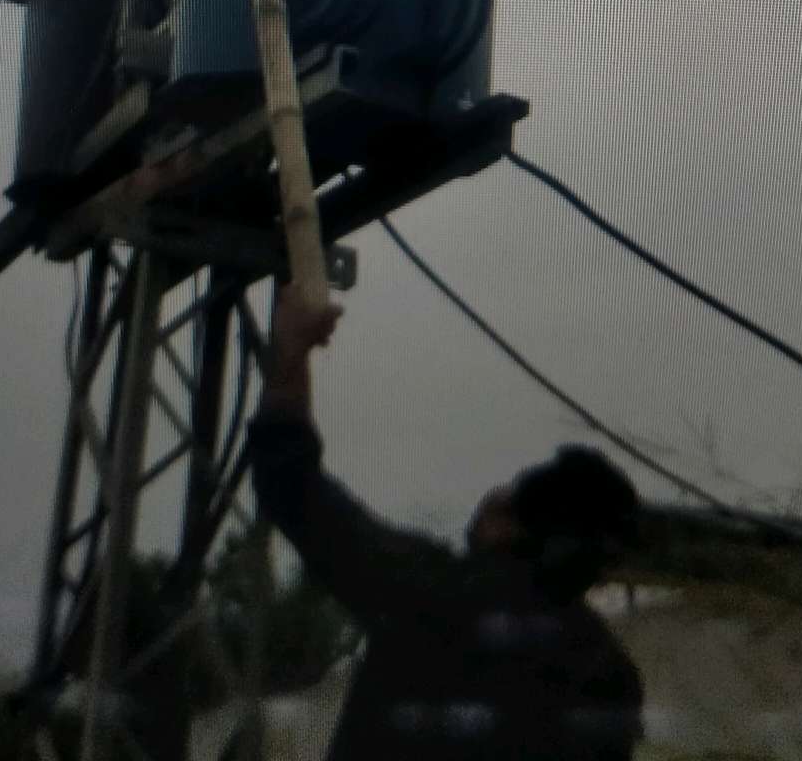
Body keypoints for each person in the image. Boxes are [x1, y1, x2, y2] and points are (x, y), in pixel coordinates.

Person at [244, 283, 646, 759]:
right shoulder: (607, 674)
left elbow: (290, 483)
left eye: (505, 492)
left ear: (509, 522)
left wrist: (292, 351)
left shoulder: (429, 592)